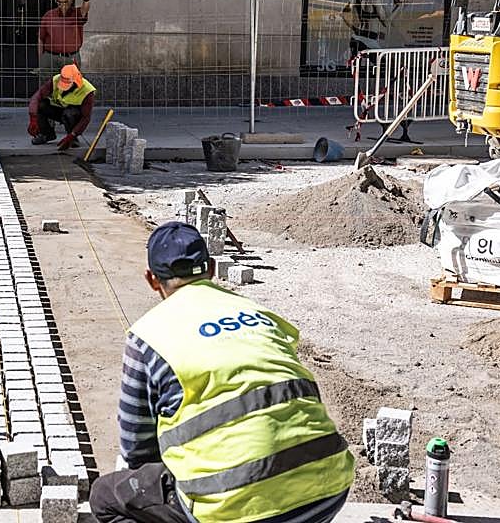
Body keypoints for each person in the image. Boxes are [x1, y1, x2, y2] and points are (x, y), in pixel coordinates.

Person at [90, 222, 354, 523]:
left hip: (231, 510)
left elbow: (136, 449)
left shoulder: (148, 335)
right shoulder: (258, 313)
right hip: (328, 491)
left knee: (105, 497)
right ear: (213, 268)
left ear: (152, 280)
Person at [27, 63, 95, 150]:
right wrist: (33, 118)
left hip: (73, 115)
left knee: (70, 113)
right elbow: (37, 97)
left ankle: (73, 139)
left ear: (76, 81)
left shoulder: (87, 90)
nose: (63, 87)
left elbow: (86, 118)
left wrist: (73, 135)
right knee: (41, 105)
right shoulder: (56, 80)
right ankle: (47, 134)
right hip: (58, 110)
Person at [37, 0, 90, 78]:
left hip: (70, 58)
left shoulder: (76, 14)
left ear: (71, 0)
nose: (62, 5)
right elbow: (41, 38)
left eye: (65, 2)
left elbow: (84, 10)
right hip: (50, 57)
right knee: (47, 88)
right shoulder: (49, 15)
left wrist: (86, 0)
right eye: (59, 2)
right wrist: (41, 58)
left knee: (71, 88)